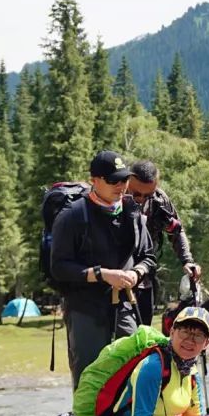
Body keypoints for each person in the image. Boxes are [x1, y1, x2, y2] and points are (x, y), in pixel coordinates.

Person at [51, 151, 156, 392]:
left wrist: (137, 272)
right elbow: (59, 267)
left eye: (124, 179)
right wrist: (101, 274)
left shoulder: (133, 212)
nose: (121, 186)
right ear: (94, 181)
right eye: (113, 181)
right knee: (90, 379)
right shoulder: (72, 216)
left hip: (126, 307)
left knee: (133, 374)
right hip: (86, 310)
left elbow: (148, 256)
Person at [127, 160, 201, 327]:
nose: (141, 199)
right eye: (136, 193)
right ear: (128, 180)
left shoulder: (159, 200)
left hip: (145, 276)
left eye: (148, 195)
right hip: (115, 276)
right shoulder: (114, 195)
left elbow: (176, 230)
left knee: (143, 332)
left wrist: (187, 260)